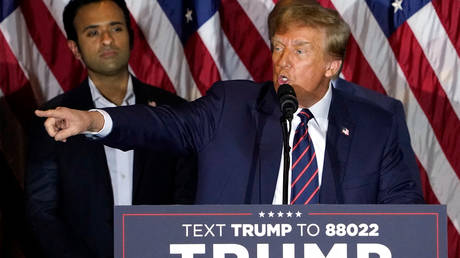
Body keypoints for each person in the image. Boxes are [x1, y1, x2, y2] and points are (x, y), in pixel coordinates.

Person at [35, 1, 424, 205]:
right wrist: (91, 120)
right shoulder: (232, 105)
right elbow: (166, 124)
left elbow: (402, 213)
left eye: (300, 51)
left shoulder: (378, 122)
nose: (282, 60)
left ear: (332, 66)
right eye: (277, 47)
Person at [26, 0, 196, 257]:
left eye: (116, 28)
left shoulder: (173, 111)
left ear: (130, 35)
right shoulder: (53, 118)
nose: (107, 40)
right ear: (75, 48)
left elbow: (186, 199)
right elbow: (42, 212)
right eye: (93, 32)